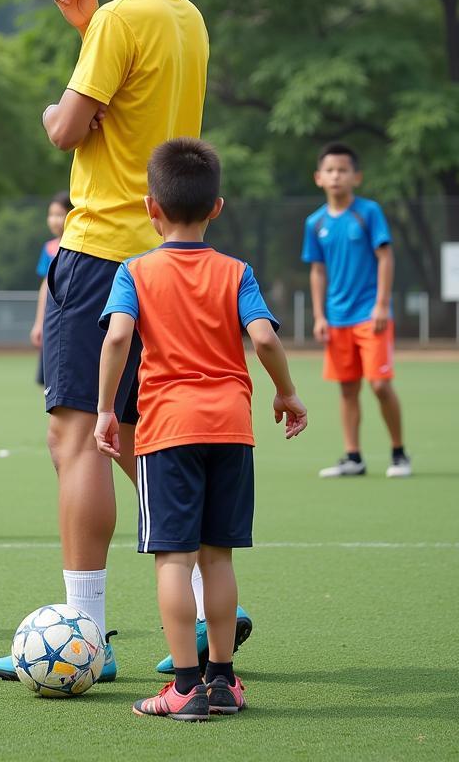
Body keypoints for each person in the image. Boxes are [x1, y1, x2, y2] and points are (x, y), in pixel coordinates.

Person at [0, 0, 249, 681]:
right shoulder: (188, 18)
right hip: (168, 256)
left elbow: (69, 129)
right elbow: (141, 117)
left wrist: (61, 89)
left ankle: (84, 636)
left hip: (100, 251)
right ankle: (213, 598)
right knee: (139, 434)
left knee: (76, 438)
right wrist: (87, 29)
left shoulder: (119, 21)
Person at [96, 138, 307, 720]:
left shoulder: (134, 271)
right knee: (218, 558)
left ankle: (184, 688)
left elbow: (116, 337)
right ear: (217, 207)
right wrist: (286, 393)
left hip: (167, 431)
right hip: (232, 428)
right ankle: (223, 682)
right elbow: (263, 337)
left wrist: (106, 409)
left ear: (149, 207)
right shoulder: (237, 271)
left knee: (173, 559)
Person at [302, 142, 409, 478]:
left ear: (356, 177)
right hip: (336, 318)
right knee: (347, 387)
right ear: (319, 177)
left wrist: (381, 304)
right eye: (330, 170)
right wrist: (319, 316)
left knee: (379, 384)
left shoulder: (368, 212)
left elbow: (385, 257)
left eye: (343, 170)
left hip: (370, 315)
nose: (336, 176)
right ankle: (353, 457)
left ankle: (399, 454)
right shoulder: (314, 222)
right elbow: (317, 270)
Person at [30, 191, 71, 386]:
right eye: (51, 215)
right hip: (52, 318)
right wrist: (39, 322)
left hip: (71, 316)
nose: (54, 220)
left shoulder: (80, 249)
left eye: (59, 214)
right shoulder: (48, 249)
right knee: (47, 376)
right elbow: (45, 286)